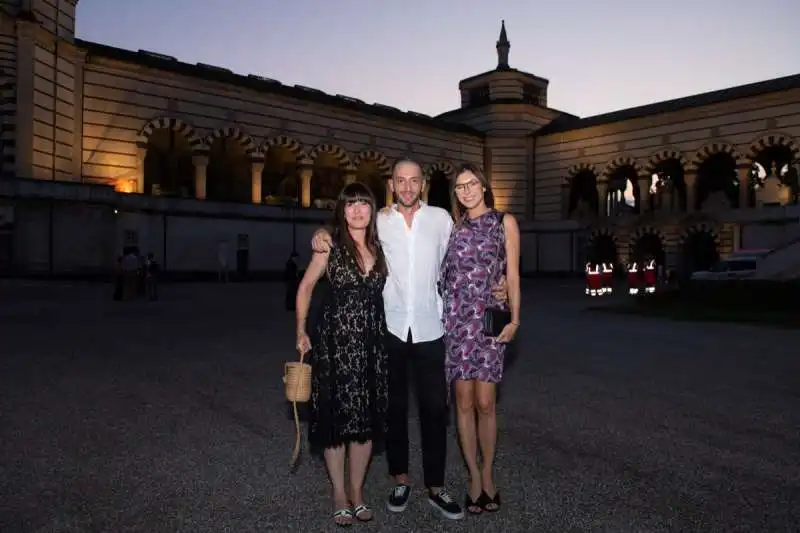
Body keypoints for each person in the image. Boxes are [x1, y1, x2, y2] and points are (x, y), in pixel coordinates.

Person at [312, 158, 507, 521]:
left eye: (413, 180)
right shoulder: (379, 219)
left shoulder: (441, 220)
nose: (406, 187)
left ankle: (436, 485)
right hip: (391, 326)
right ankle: (400, 478)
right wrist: (321, 232)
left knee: (436, 410)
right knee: (394, 408)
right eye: (400, 181)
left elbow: (470, 256)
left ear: (423, 185)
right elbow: (347, 227)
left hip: (433, 326)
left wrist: (504, 280)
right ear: (391, 184)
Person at [295, 182, 389, 527]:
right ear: (342, 210)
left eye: (364, 203)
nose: (358, 210)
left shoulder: (382, 247)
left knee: (363, 424)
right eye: (351, 204)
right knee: (336, 421)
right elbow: (305, 287)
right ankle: (338, 492)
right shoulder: (329, 247)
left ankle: (357, 490)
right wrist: (301, 330)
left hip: (371, 347)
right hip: (334, 345)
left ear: (373, 209)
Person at [440, 163, 520, 515]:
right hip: (456, 321)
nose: (466, 190)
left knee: (486, 402)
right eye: (459, 187)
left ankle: (488, 473)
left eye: (472, 184)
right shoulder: (453, 228)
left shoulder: (505, 222)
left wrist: (516, 318)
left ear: (485, 187)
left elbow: (513, 274)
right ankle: (473, 476)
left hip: (489, 321)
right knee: (463, 401)